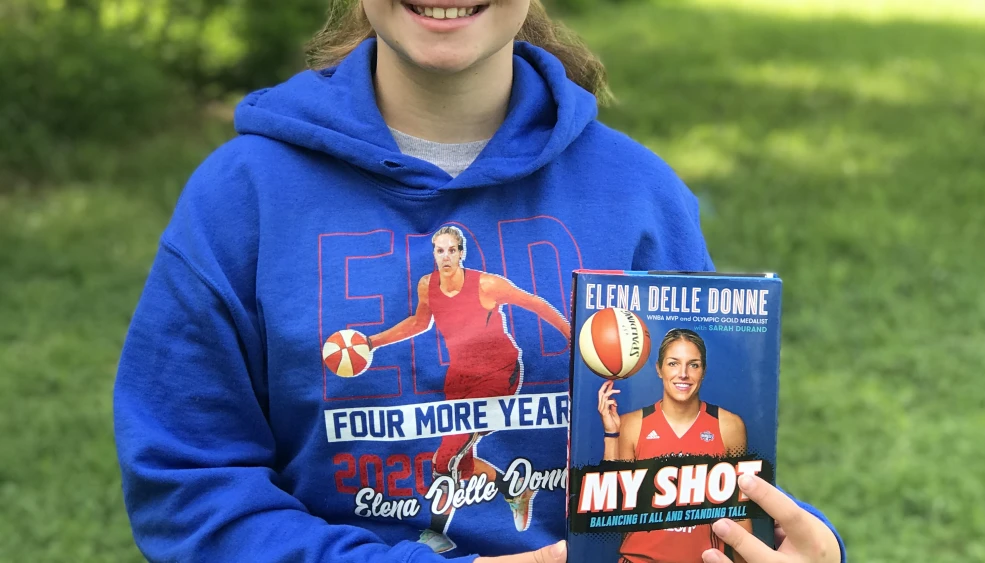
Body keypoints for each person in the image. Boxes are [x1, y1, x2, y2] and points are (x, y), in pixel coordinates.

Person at [112, 0, 848, 561]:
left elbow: (684, 467)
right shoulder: (242, 199)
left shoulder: (638, 195)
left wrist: (780, 538)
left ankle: (508, 483)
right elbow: (188, 486)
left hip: (495, 366)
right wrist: (368, 339)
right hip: (458, 379)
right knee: (450, 456)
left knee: (454, 452)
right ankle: (498, 485)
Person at [365, 225, 572, 551]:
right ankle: (514, 488)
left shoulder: (486, 285)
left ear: (461, 253)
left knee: (445, 455)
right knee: (459, 462)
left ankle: (435, 535)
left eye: (451, 250)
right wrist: (372, 341)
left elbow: (534, 303)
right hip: (460, 375)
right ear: (433, 255)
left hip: (499, 372)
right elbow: (420, 323)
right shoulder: (427, 286)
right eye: (439, 250)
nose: (445, 256)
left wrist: (571, 335)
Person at [598, 329, 750, 563]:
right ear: (659, 369)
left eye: (693, 365)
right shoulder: (631, 425)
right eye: (673, 364)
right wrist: (611, 434)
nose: (683, 374)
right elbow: (612, 506)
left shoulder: (729, 427)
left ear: (704, 371)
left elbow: (740, 515)